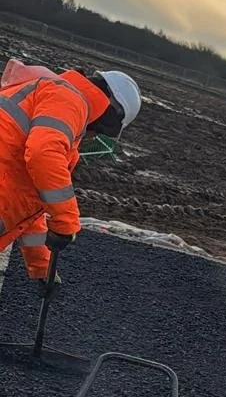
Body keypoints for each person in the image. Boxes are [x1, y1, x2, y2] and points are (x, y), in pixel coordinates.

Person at [0, 57, 141, 284]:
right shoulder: (69, 99)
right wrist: (65, 217)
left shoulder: (63, 110)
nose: (96, 136)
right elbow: (42, 154)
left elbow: (29, 208)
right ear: (110, 114)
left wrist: (41, 269)